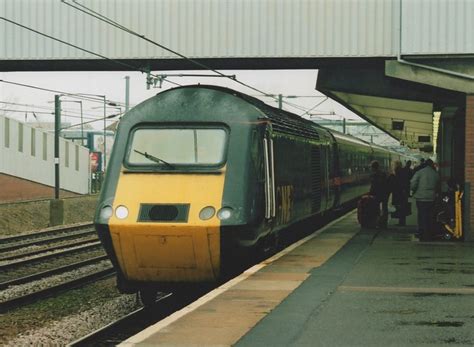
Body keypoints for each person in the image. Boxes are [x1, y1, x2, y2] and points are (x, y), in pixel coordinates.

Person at [410, 159, 440, 241]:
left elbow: (413, 183)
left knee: (422, 216)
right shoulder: (435, 173)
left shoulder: (419, 172)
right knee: (430, 216)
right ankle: (429, 234)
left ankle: (422, 233)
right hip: (431, 198)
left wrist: (414, 190)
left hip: (421, 198)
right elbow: (438, 185)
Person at [369, 160, 389, 228]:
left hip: (377, 194)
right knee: (384, 208)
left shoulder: (373, 175)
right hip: (384, 193)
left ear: (373, 167)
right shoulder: (383, 173)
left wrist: (370, 193)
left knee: (376, 208)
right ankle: (384, 223)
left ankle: (376, 222)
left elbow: (373, 186)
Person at [389, 160, 410, 226]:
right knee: (402, 206)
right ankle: (402, 221)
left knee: (399, 207)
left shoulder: (397, 171)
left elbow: (396, 182)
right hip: (403, 192)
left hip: (398, 192)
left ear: (396, 165)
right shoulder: (404, 171)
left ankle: (401, 222)